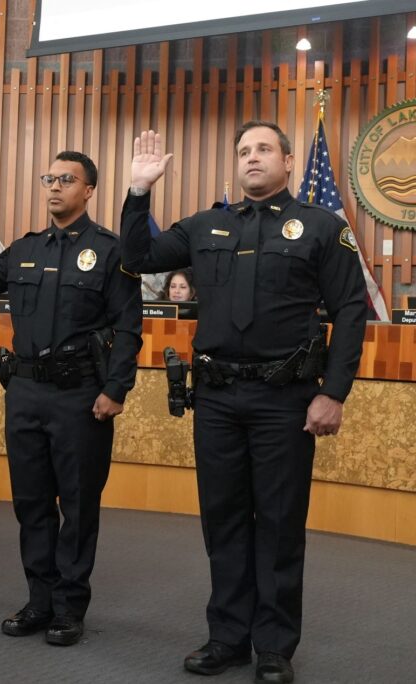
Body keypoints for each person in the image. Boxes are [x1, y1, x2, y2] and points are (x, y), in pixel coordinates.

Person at [121, 124, 367, 683]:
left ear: (286, 161)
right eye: (242, 151)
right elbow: (137, 258)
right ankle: (228, 637)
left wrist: (333, 393)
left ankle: (275, 646)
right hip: (219, 398)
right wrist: (139, 192)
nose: (251, 158)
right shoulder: (208, 225)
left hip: (286, 399)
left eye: (262, 149)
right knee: (224, 520)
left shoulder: (323, 227)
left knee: (279, 523)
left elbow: (351, 310)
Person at [0, 153, 142, 645]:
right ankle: (39, 602)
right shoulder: (24, 248)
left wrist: (116, 389)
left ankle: (69, 607)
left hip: (80, 395)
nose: (55, 187)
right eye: (50, 179)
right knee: (31, 503)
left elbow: (128, 328)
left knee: (78, 505)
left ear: (89, 191)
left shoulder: (109, 251)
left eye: (67, 180)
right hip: (25, 392)